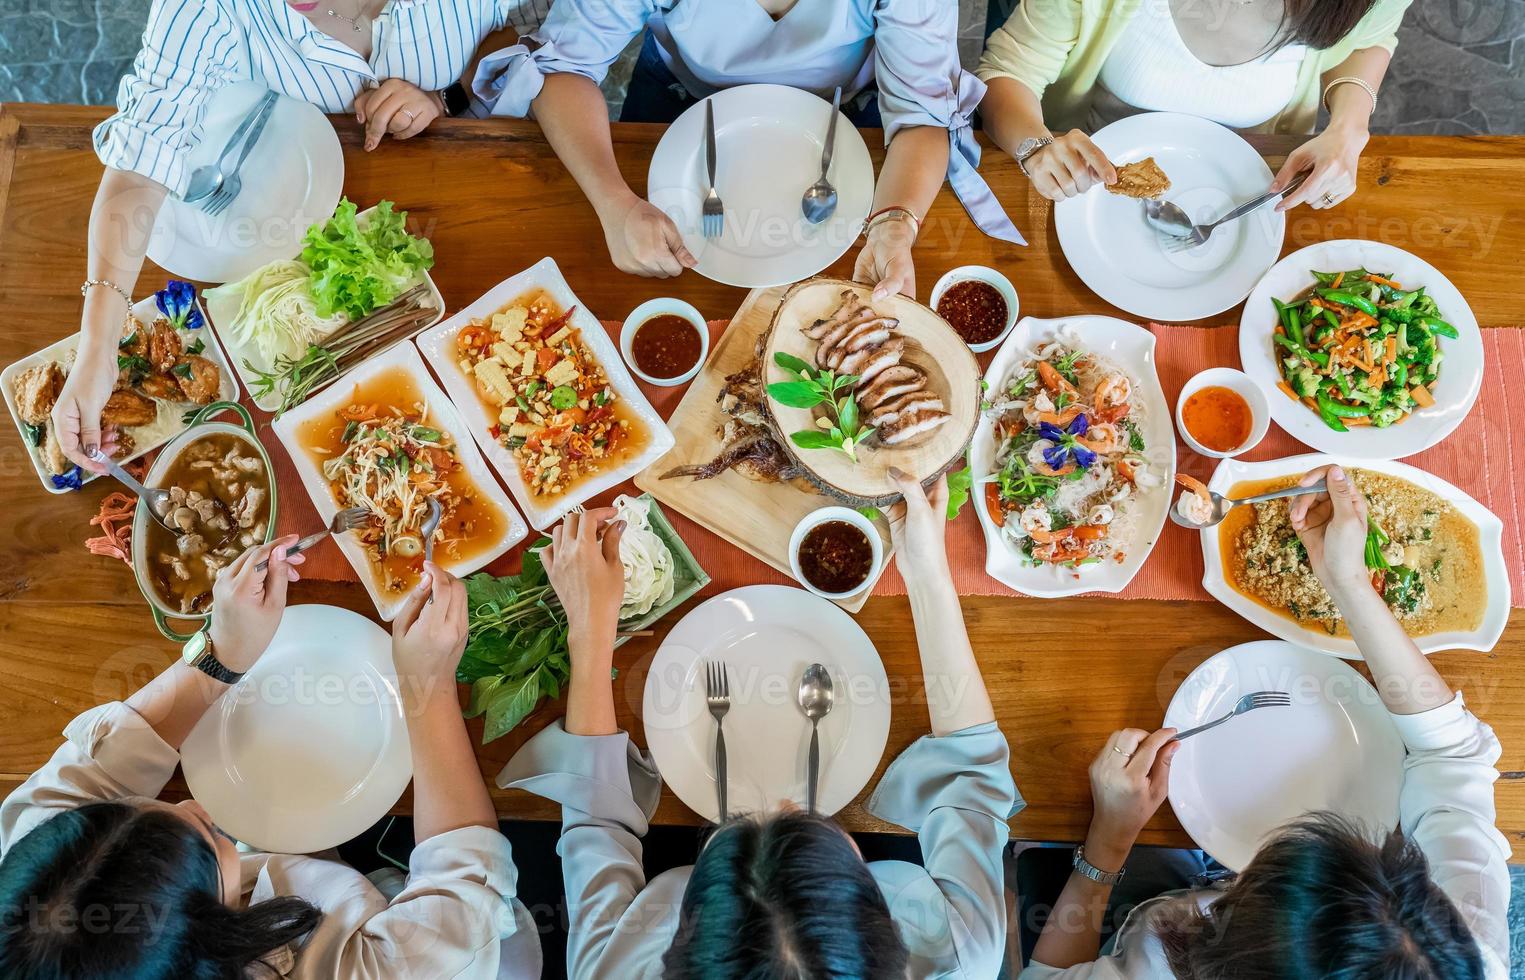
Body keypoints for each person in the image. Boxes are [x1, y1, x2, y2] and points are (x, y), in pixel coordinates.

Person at [498, 468, 1020, 978]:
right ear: (882, 924)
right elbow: (972, 775)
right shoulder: (961, 955)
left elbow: (596, 819)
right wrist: (927, 573)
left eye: (742, 824)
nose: (786, 801)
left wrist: (587, 629)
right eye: (809, 825)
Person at [1020, 465, 1508, 979]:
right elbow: (1451, 753)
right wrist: (1349, 583)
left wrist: (1106, 845)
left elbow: (1045, 975)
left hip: (1138, 896)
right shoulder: (1453, 951)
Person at [0, 537, 541, 979]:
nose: (195, 805)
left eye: (130, 807)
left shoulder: (34, 891)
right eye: (210, 841)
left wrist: (221, 653)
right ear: (218, 940)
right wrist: (429, 684)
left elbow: (96, 766)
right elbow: (464, 887)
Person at [55, 0, 550, 475]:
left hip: (482, 196)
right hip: (289, 222)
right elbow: (139, 168)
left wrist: (450, 96)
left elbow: (539, 32)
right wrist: (98, 348)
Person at [472, 0, 1024, 294]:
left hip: (843, 117)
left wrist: (895, 225)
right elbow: (564, 66)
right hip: (678, 100)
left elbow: (921, 117)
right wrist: (614, 202)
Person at [977, 0, 1411, 209]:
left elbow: (1368, 39)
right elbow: (1007, 70)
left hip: (1244, 190)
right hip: (1081, 188)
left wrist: (1349, 128)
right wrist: (1035, 147)